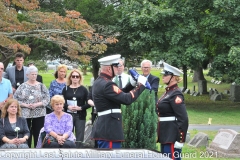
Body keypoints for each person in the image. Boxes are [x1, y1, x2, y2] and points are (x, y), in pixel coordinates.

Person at [91, 54, 148, 148]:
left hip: (106, 128)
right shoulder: (108, 84)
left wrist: (131, 84)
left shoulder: (100, 81)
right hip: (109, 129)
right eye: (116, 66)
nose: (118, 68)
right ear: (109, 68)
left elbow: (119, 95)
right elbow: (126, 99)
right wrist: (141, 86)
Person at [156, 62, 189, 160]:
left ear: (173, 77)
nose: (163, 77)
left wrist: (181, 140)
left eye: (166, 75)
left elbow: (183, 118)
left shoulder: (176, 94)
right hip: (165, 135)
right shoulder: (169, 92)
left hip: (172, 136)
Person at [13, 66, 50, 148]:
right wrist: (25, 105)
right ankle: (27, 148)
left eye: (35, 74)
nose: (34, 76)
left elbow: (47, 99)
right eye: (32, 74)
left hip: (39, 113)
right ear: (27, 75)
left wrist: (37, 104)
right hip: (25, 113)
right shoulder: (22, 86)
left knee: (38, 132)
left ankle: (38, 148)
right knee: (26, 132)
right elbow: (15, 99)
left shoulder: (41, 86)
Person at [62, 69, 90, 148]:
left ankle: (78, 153)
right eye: (73, 76)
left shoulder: (84, 89)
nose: (75, 78)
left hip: (80, 115)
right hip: (68, 115)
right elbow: (61, 102)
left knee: (79, 137)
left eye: (77, 76)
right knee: (68, 135)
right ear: (70, 77)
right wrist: (68, 106)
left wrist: (80, 108)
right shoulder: (66, 89)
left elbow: (89, 103)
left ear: (80, 78)